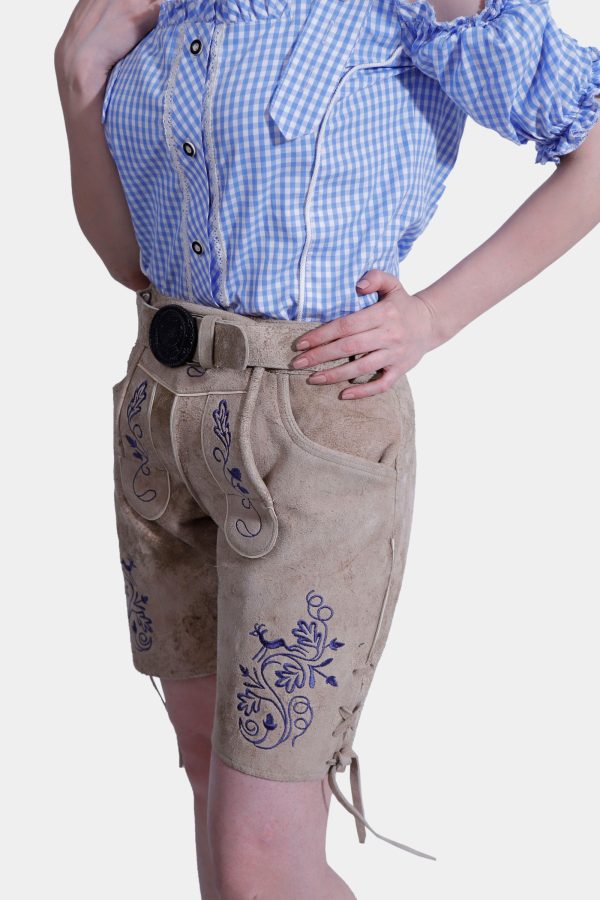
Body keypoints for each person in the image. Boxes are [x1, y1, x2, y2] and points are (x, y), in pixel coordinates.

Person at [55, 0, 600, 896]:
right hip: (161, 422)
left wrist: (432, 318)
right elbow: (133, 262)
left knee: (259, 855)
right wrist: (78, 83)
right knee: (207, 773)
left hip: (314, 432)